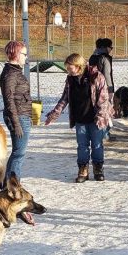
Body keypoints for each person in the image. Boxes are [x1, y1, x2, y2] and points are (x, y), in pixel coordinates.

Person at [44, 53, 110, 182]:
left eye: (70, 68)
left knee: (97, 144)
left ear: (78, 66)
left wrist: (101, 115)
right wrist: (54, 114)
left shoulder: (96, 76)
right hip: (80, 118)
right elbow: (64, 99)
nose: (68, 71)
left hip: (96, 118)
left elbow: (104, 98)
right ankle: (83, 169)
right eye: (67, 68)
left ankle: (98, 168)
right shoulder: (70, 80)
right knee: (82, 145)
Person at [0, 40, 32, 182]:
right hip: (18, 116)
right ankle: (12, 185)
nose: (26, 57)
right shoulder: (11, 74)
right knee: (19, 153)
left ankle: (9, 183)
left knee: (18, 153)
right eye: (24, 54)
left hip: (22, 115)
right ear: (17, 54)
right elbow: (9, 100)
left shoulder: (15, 71)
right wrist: (16, 123)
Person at [89, 37, 114, 140]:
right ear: (105, 47)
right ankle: (105, 134)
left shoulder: (92, 57)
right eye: (110, 47)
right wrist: (111, 90)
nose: (111, 49)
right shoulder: (105, 58)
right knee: (105, 111)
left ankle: (98, 133)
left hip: (93, 88)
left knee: (97, 111)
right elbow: (107, 75)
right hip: (104, 88)